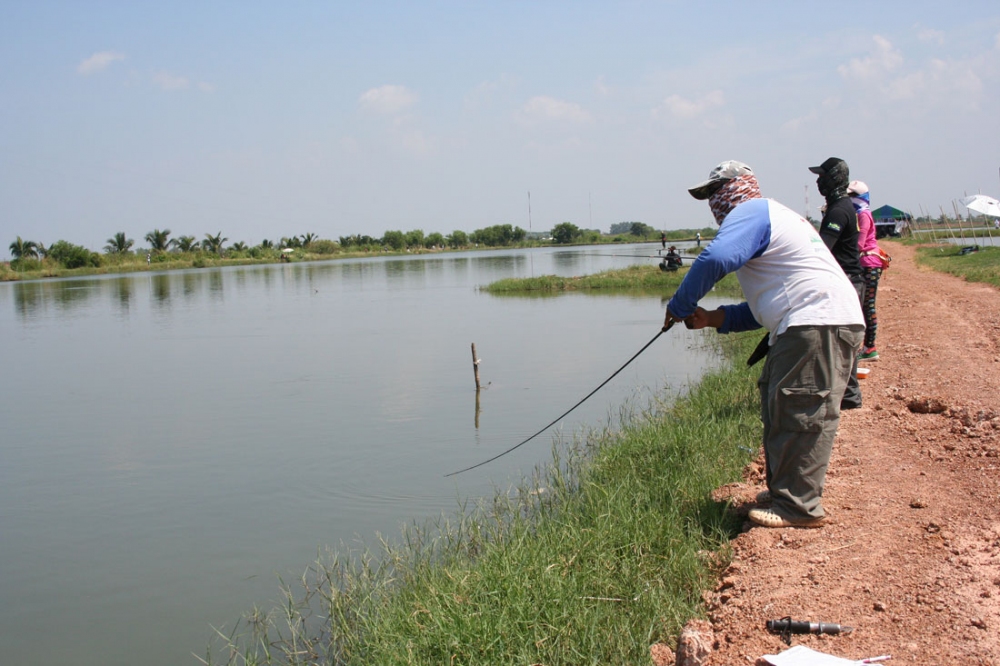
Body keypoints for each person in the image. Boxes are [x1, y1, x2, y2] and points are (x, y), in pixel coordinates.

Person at [665, 160, 864, 528]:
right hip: (809, 322)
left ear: (741, 187)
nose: (715, 202)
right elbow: (762, 309)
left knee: (800, 410)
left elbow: (715, 258)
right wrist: (711, 318)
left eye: (717, 192)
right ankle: (784, 493)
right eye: (709, 196)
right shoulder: (768, 221)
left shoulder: (754, 211)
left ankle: (798, 506)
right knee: (780, 402)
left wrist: (679, 306)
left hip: (817, 322)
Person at [809, 157, 864, 410]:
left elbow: (824, 251)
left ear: (834, 178)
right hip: (849, 282)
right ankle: (846, 393)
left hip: (848, 283)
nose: (818, 181)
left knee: (842, 341)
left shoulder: (839, 210)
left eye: (822, 176)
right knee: (843, 341)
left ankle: (849, 396)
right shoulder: (840, 207)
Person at [849, 180, 882, 361]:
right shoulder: (861, 214)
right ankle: (868, 346)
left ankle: (870, 347)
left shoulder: (863, 215)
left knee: (867, 306)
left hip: (869, 263)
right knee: (865, 305)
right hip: (868, 262)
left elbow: (860, 243)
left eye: (852, 196)